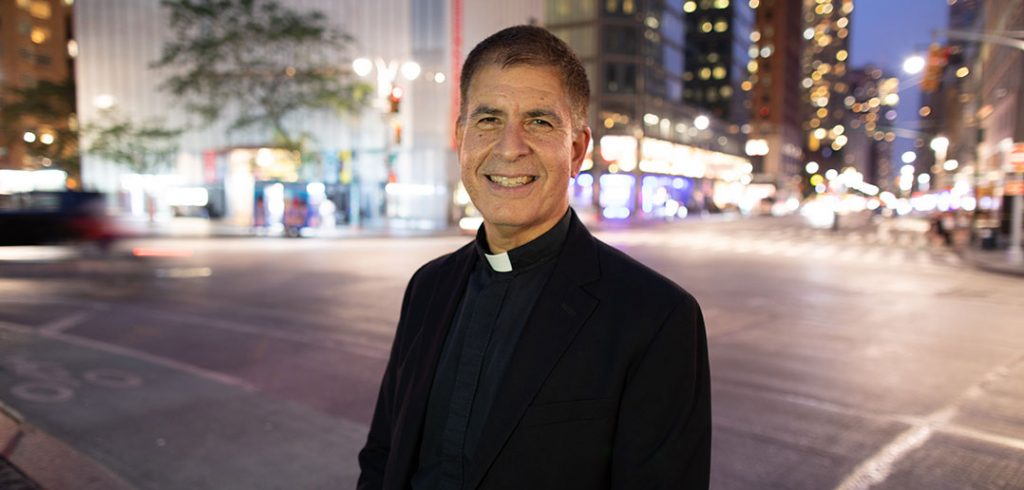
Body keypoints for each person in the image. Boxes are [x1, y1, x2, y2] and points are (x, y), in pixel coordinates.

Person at [358, 25, 711, 490]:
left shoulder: (656, 318)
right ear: (461, 136)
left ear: (578, 149)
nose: (509, 147)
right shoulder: (428, 286)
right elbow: (385, 454)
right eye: (488, 120)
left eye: (539, 122)